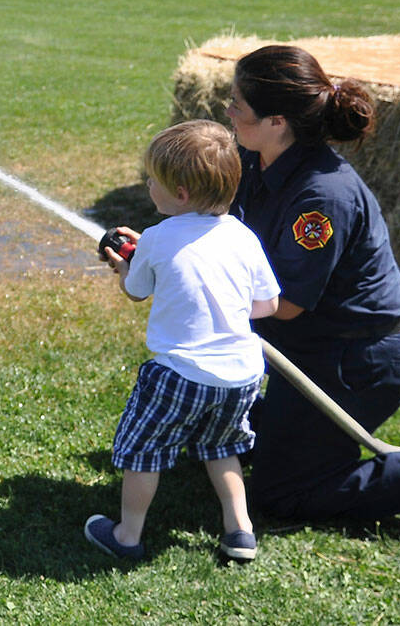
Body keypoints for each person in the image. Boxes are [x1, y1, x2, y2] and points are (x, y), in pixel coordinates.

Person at [226, 44, 400, 542]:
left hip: (356, 363)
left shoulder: (322, 197)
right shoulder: (255, 159)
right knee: (223, 440)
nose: (228, 111)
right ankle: (292, 439)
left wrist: (203, 293)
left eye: (237, 103)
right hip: (315, 348)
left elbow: (289, 304)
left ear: (277, 121)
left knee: (279, 494)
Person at [86, 119, 281, 562]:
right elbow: (267, 304)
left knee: (145, 452)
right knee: (222, 448)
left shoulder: (156, 238)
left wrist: (125, 267)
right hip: (242, 376)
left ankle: (127, 536)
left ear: (181, 193)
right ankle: (240, 532)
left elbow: (137, 289)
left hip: (180, 375)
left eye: (152, 179)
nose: (147, 185)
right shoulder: (243, 235)